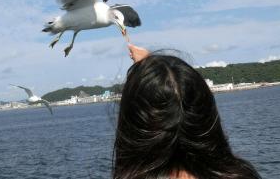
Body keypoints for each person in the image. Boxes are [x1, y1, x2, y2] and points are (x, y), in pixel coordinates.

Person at [112, 44, 262, 179]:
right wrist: (154, 73)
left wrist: (147, 80)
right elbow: (178, 102)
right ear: (207, 115)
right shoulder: (240, 173)